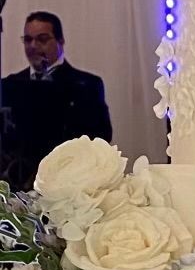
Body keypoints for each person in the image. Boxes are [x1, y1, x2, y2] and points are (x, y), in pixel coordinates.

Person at [1, 11, 112, 188]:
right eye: (28, 39)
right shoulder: (9, 85)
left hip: (68, 184)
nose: (33, 46)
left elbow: (101, 138)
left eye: (42, 39)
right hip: (17, 186)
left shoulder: (86, 85)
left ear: (60, 41)